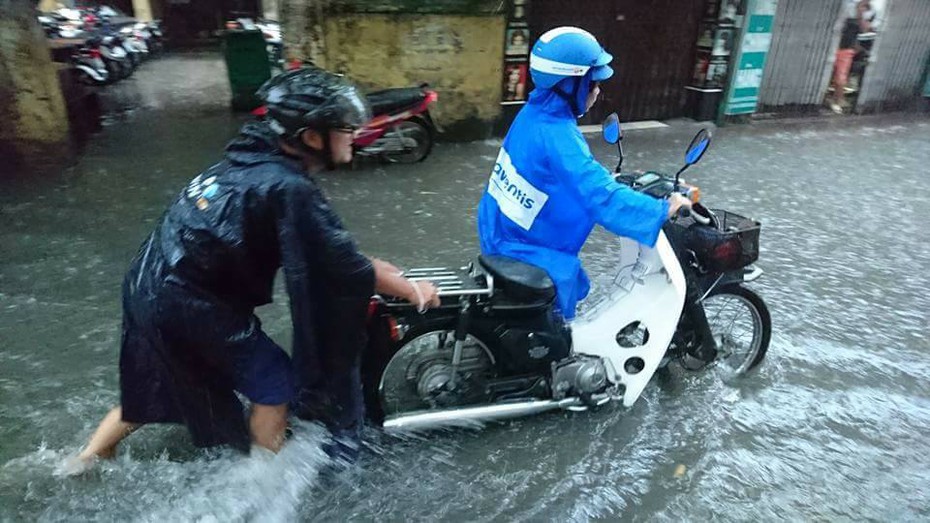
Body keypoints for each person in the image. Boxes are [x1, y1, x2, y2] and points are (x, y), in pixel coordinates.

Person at [62, 67, 440, 475]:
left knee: (162, 377)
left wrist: (373, 267)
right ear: (311, 137)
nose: (353, 132)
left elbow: (324, 245)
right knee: (276, 384)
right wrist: (411, 288)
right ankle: (261, 478)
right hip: (189, 299)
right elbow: (343, 264)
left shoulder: (244, 158)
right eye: (342, 127)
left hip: (147, 283)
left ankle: (86, 459)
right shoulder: (286, 186)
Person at [477, 27, 692, 322]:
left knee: (578, 284)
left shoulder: (532, 114)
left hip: (500, 233)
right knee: (564, 307)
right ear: (570, 85)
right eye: (592, 83)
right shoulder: (558, 136)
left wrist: (607, 179)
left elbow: (558, 175)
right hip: (526, 249)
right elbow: (599, 197)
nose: (597, 90)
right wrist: (662, 209)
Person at [829, 0, 874, 114]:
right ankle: (835, 100)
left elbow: (865, 29)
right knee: (833, 76)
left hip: (845, 48)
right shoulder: (846, 6)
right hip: (833, 44)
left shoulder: (867, 10)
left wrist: (860, 12)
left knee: (841, 77)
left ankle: (837, 102)